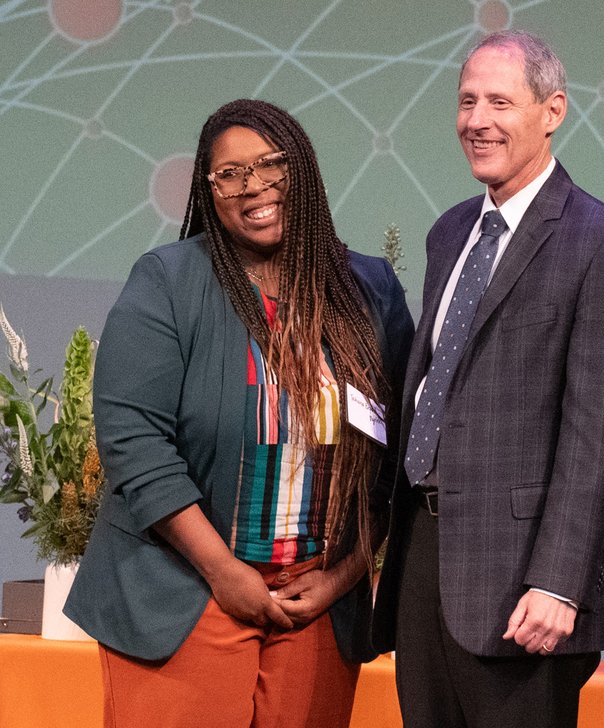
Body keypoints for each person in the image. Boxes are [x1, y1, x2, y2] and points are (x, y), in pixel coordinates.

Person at [65, 98, 413, 728]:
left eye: (270, 164)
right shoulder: (169, 281)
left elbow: (400, 452)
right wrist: (223, 570)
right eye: (229, 174)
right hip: (185, 591)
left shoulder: (370, 290)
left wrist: (342, 577)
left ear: (301, 169)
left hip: (314, 604)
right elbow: (134, 441)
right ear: (210, 189)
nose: (252, 186)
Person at [372, 30, 604, 728]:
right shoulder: (449, 234)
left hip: (525, 581)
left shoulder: (603, 242)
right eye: (467, 101)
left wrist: (559, 580)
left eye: (500, 102)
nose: (477, 120)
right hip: (424, 560)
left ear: (553, 111)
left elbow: (598, 433)